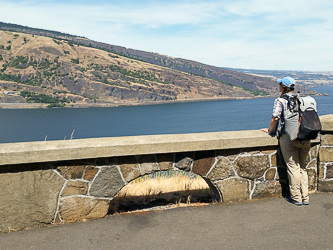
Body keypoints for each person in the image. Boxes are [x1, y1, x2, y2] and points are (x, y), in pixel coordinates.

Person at [261, 77, 310, 206]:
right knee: (302, 168)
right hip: (305, 136)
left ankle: (296, 197)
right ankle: (305, 197)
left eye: (280, 85)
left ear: (282, 87)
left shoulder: (280, 100)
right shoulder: (301, 98)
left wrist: (271, 131)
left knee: (293, 166)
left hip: (289, 137)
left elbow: (275, 118)